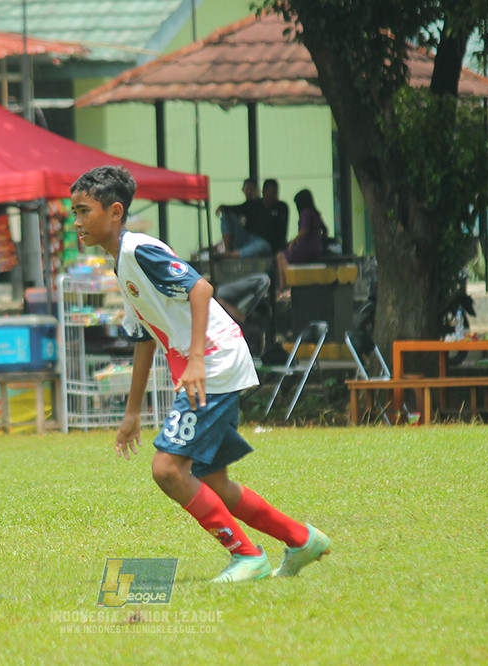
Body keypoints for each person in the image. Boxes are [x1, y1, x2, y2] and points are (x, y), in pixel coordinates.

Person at [70, 165, 330, 583]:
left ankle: (247, 557)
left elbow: (201, 288)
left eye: (83, 211)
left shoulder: (139, 250)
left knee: (168, 470)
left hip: (212, 364)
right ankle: (301, 539)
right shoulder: (122, 265)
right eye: (74, 212)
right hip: (211, 364)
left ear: (114, 212)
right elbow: (144, 338)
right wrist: (132, 413)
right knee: (213, 481)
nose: (77, 222)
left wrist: (193, 359)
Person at [216, 179, 289, 257]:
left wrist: (279, 251)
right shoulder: (254, 204)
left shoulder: (281, 207)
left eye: (275, 193)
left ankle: (231, 255)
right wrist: (222, 207)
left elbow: (282, 233)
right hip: (248, 239)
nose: (273, 196)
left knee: (261, 246)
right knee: (227, 216)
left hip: (265, 243)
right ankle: (228, 250)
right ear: (263, 191)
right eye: (270, 192)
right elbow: (236, 208)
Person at [276, 189, 329, 291]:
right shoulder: (315, 213)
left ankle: (285, 286)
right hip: (317, 248)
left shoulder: (306, 213)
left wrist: (293, 242)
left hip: (306, 248)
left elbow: (304, 231)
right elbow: (325, 231)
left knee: (281, 256)